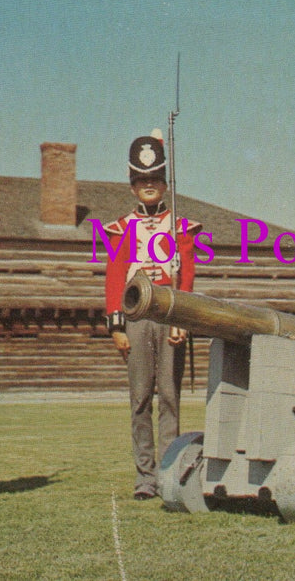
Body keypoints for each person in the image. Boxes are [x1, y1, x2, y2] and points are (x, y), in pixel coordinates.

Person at [103, 131, 201, 500]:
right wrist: (116, 324)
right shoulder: (121, 228)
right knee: (141, 397)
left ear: (164, 184)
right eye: (142, 180)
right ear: (133, 186)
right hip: (137, 317)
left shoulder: (180, 228)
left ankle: (168, 472)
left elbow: (186, 277)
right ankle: (144, 476)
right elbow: (115, 277)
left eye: (155, 180)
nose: (149, 186)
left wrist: (182, 320)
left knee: (170, 397)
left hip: (169, 316)